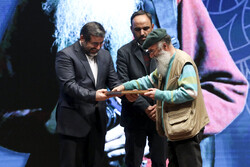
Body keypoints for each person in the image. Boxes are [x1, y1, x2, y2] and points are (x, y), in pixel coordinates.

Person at [113, 28, 210, 167]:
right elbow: (147, 80)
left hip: (187, 128)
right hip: (175, 127)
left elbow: (190, 92)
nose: (151, 56)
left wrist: (159, 94)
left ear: (164, 46)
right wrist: (125, 87)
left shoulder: (183, 62)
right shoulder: (166, 64)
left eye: (152, 51)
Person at [55, 21, 121, 167]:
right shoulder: (65, 55)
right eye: (94, 43)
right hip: (73, 121)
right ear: (82, 38)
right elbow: (68, 86)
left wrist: (124, 91)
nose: (98, 47)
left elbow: (113, 81)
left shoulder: (105, 55)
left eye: (101, 43)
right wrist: (94, 95)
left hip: (98, 121)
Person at [116, 10, 167, 167]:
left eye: (145, 28)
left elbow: (171, 83)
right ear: (131, 29)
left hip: (160, 117)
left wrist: (158, 107)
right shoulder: (123, 53)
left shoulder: (164, 51)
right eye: (137, 29)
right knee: (132, 163)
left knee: (160, 162)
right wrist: (146, 108)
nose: (142, 32)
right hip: (134, 117)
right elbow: (124, 84)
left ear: (152, 27)